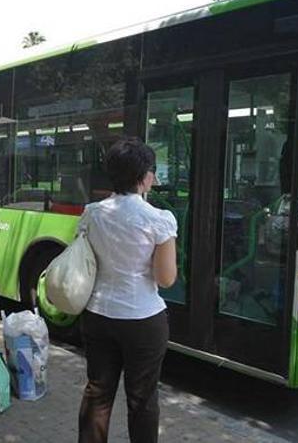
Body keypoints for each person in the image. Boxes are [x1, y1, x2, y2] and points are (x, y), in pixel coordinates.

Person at [77, 138, 178, 443]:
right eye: (152, 170)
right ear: (143, 176)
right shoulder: (158, 220)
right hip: (142, 320)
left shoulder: (92, 213)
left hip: (97, 314)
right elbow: (165, 278)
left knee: (98, 392)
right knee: (142, 399)